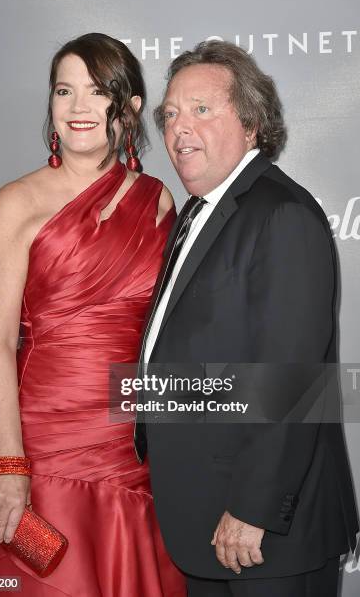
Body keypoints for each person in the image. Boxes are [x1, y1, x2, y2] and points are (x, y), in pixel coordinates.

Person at [134, 40, 359, 596]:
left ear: (253, 124)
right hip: (205, 517)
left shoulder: (280, 213)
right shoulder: (197, 211)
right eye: (170, 115)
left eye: (202, 110)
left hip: (263, 534)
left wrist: (253, 508)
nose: (179, 128)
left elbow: (292, 377)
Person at [0, 32, 186, 597]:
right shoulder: (16, 202)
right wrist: (10, 467)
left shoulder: (158, 200)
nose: (78, 108)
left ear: (132, 108)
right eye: (64, 91)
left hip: (131, 448)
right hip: (46, 446)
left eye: (97, 91)